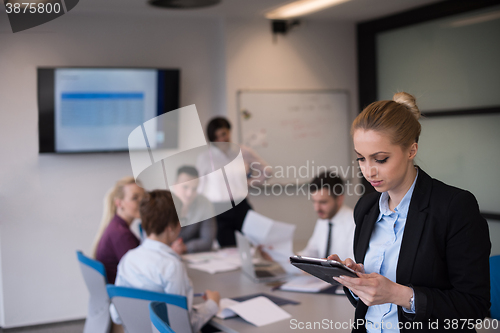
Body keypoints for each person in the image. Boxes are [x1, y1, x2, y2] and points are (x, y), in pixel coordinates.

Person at [329, 92, 490, 332]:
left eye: (380, 159)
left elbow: (474, 307)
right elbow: (366, 305)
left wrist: (400, 294)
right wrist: (356, 283)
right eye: (360, 159)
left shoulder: (455, 207)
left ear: (411, 150)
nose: (368, 171)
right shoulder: (366, 208)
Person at [112, 190, 220, 333]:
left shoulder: (128, 259)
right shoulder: (172, 266)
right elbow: (183, 326)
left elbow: (116, 315)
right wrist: (212, 304)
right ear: (171, 228)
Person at [197, 117, 271, 247]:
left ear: (229, 131)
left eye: (224, 134)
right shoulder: (205, 158)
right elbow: (200, 187)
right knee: (228, 248)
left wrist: (248, 183)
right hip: (218, 209)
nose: (222, 139)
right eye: (217, 136)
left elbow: (267, 171)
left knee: (252, 244)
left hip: (241, 206)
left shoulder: (243, 151)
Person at [93, 176, 144, 284]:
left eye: (143, 197)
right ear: (119, 203)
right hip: (124, 295)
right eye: (135, 198)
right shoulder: (121, 235)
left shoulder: (116, 227)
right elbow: (140, 274)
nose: (142, 202)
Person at [299, 172, 355, 260]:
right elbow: (310, 253)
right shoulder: (323, 219)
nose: (317, 208)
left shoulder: (354, 223)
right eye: (314, 202)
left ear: (339, 199)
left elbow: (355, 264)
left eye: (323, 202)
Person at [170, 165, 217, 255]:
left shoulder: (204, 203)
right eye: (185, 187)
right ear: (174, 185)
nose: (189, 193)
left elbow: (207, 240)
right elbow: (154, 241)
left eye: (194, 189)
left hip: (195, 257)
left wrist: (185, 247)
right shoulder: (162, 205)